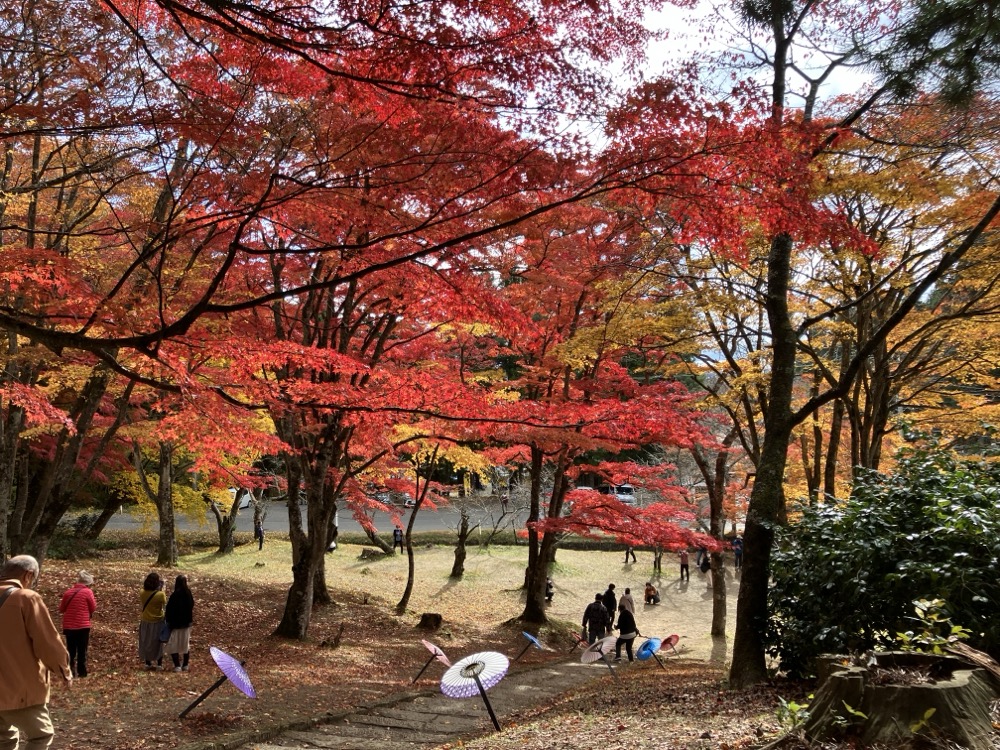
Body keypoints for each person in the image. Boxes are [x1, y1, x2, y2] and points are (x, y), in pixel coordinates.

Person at [0, 555, 72, 750]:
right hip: (19, 687)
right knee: (41, 735)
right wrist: (64, 670)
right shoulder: (27, 598)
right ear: (28, 575)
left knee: (4, 739)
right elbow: (47, 641)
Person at [58, 570, 97, 679]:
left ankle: (70, 671)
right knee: (82, 649)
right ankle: (82, 672)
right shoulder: (88, 592)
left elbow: (61, 609)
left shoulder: (68, 592)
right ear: (88, 583)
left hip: (69, 626)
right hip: (83, 625)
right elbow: (93, 607)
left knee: (71, 649)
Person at [164, 575, 194, 673]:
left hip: (176, 624)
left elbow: (169, 609)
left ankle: (177, 665)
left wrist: (168, 620)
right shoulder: (188, 593)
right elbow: (191, 605)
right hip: (186, 623)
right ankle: (185, 664)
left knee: (174, 644)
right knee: (185, 644)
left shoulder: (175, 595)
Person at [138, 572, 166, 671]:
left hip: (145, 620)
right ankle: (159, 663)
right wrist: (162, 590)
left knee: (146, 641)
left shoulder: (142, 592)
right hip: (158, 620)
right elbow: (164, 604)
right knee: (158, 642)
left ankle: (147, 662)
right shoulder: (160, 594)